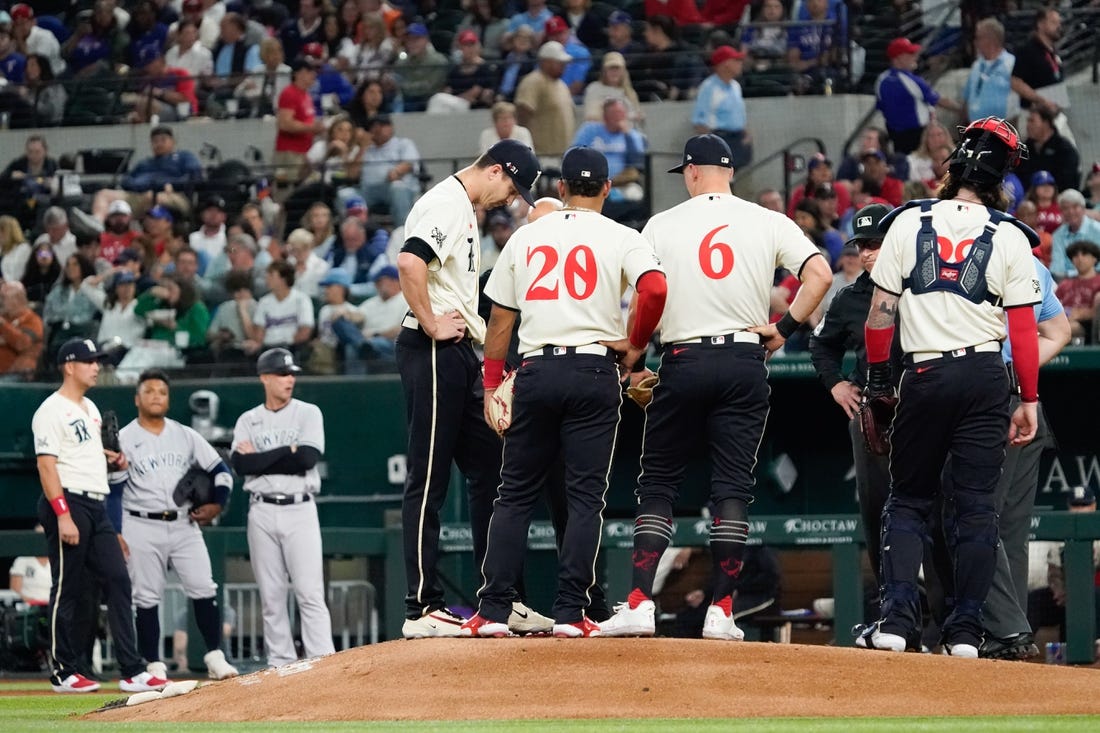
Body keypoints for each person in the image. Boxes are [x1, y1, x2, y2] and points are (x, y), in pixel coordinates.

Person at [599, 134, 831, 640]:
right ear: (728, 171)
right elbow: (820, 274)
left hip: (684, 357)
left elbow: (645, 295)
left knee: (659, 481)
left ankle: (639, 603)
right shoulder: (767, 219)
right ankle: (722, 611)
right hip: (745, 358)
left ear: (693, 171)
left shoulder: (662, 223)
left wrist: (635, 352)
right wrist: (785, 327)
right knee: (732, 486)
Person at [854, 117, 1041, 658]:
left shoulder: (907, 223)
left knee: (909, 500)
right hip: (986, 377)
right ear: (1001, 180)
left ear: (953, 167)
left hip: (926, 373)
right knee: (977, 509)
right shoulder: (1010, 235)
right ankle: (965, 632)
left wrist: (879, 382)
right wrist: (1027, 398)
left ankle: (896, 622)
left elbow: (879, 315)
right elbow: (1023, 334)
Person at [462, 146, 667, 639]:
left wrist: (492, 383)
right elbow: (655, 289)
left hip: (536, 369)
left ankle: (493, 611)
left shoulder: (527, 236)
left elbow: (500, 319)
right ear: (608, 189)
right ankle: (572, 612)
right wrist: (635, 347)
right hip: (595, 370)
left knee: (512, 496)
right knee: (584, 499)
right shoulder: (622, 234)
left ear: (560, 188)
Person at [396, 139, 543, 638]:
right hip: (432, 348)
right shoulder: (446, 202)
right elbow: (410, 262)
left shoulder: (462, 207)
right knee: (429, 478)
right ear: (496, 170)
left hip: (457, 353)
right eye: (512, 186)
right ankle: (421, 607)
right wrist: (431, 322)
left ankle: (501, 599)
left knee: (492, 469)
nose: (510, 198)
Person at [32, 338, 170, 693]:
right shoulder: (51, 410)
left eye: (98, 361)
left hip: (96, 501)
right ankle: (64, 671)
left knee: (119, 580)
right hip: (68, 501)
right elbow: (46, 467)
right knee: (68, 588)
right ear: (69, 366)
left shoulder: (90, 408)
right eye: (90, 361)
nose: (96, 366)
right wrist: (62, 514)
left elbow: (87, 459)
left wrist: (114, 461)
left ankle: (132, 669)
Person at [109, 369, 239, 681]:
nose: (156, 396)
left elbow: (222, 470)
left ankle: (214, 655)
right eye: (150, 391)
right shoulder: (124, 438)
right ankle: (153, 663)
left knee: (203, 587)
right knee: (146, 596)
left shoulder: (184, 434)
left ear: (169, 399)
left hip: (183, 522)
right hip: (140, 522)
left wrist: (217, 503)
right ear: (137, 398)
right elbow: (111, 488)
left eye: (162, 392)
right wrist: (116, 529)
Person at [808, 204, 901, 583]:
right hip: (874, 416)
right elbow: (820, 345)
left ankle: (943, 616)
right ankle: (891, 609)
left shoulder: (922, 287)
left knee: (934, 510)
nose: (865, 252)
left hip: (923, 407)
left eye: (874, 243)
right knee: (878, 512)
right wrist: (835, 383)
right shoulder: (849, 298)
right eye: (861, 244)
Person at [230, 348, 333, 667]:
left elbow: (306, 459)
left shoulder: (307, 412)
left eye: (291, 374)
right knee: (271, 597)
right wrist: (284, 451)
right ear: (264, 378)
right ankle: (280, 662)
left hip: (299, 508)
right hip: (261, 510)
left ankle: (323, 660)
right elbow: (241, 464)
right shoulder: (248, 419)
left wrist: (262, 458)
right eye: (282, 374)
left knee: (309, 593)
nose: (289, 379)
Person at [874, 37, 961, 155]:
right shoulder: (910, 80)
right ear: (898, 58)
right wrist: (962, 109)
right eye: (909, 53)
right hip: (918, 137)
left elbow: (881, 107)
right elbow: (939, 100)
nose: (915, 56)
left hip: (895, 136)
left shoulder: (881, 80)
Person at [691, 46, 751, 170]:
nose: (740, 64)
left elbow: (739, 113)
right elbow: (699, 121)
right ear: (725, 64)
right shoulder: (709, 87)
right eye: (736, 60)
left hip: (738, 139)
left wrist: (746, 135)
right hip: (721, 138)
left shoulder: (736, 86)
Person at [514, 41, 575, 158]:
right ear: (545, 62)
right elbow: (523, 114)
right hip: (541, 154)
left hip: (562, 153)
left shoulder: (561, 84)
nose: (564, 66)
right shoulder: (533, 81)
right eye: (559, 63)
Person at [1016, 107, 1080, 196]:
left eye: (1032, 121)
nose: (1028, 125)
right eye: (1028, 121)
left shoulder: (1064, 149)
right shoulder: (1025, 148)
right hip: (1028, 200)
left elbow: (1068, 181)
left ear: (1046, 123)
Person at [963, 18, 1016, 123]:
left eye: (978, 38)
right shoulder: (976, 65)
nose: (975, 42)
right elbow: (967, 98)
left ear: (991, 39)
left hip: (1002, 129)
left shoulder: (1011, 63)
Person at [1049, 190, 1100, 280]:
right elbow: (1057, 270)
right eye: (1065, 208)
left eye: (1075, 207)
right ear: (1061, 212)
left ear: (1083, 209)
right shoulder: (1057, 235)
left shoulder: (1097, 230)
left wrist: (1074, 274)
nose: (1071, 212)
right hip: (1066, 282)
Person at [1055, 241, 1100, 342]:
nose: (1080, 258)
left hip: (1089, 325)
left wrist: (1080, 314)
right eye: (1075, 255)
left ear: (1095, 258)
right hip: (1063, 320)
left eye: (1084, 254)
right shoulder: (1064, 284)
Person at [0, 280, 44, 381]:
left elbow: (22, 343)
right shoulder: (4, 317)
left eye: (3, 297)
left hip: (18, 372)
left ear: (17, 299)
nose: (0, 301)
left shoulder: (32, 320)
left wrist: (3, 325)